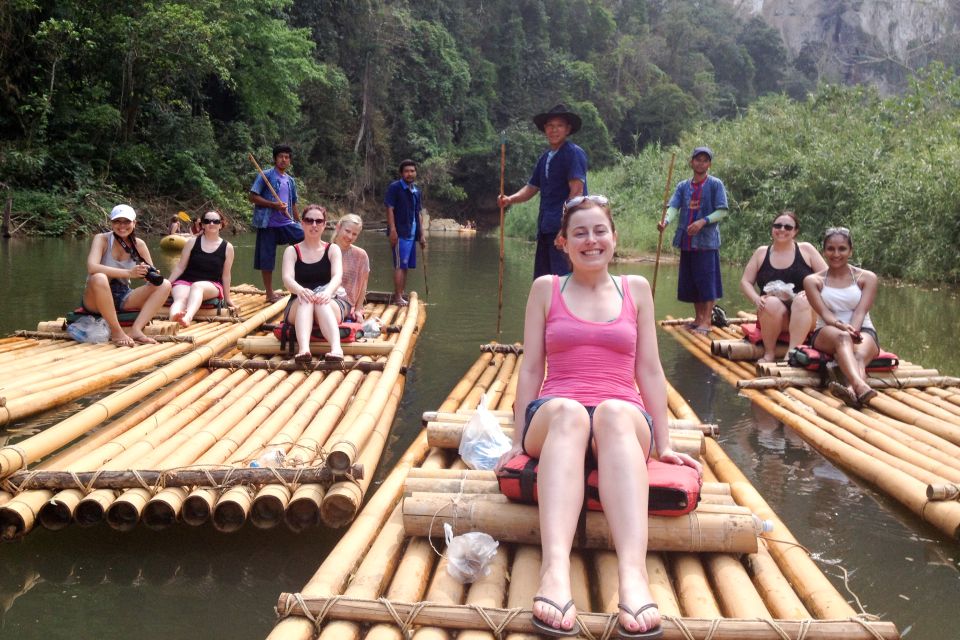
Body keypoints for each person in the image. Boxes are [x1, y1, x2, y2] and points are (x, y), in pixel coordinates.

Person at [496, 195, 701, 638]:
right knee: (572, 412)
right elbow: (531, 367)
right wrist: (517, 440)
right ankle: (554, 571)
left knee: (610, 412)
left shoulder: (637, 290)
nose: (591, 241)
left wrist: (664, 445)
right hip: (555, 414)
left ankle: (633, 577)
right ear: (563, 243)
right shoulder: (546, 288)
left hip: (621, 417)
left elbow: (649, 369)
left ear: (614, 238)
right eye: (580, 233)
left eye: (599, 231)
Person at [498, 104, 588, 278]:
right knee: (544, 279)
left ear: (568, 129)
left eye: (559, 126)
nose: (554, 130)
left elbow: (577, 192)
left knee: (564, 279)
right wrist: (510, 199)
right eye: (550, 126)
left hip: (565, 231)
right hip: (546, 227)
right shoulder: (544, 158)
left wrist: (564, 227)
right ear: (545, 129)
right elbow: (532, 187)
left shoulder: (573, 153)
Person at [804, 227, 880, 408]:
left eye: (842, 249)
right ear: (824, 251)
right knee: (842, 337)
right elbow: (824, 313)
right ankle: (860, 385)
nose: (836, 254)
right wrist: (843, 327)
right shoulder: (813, 280)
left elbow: (861, 311)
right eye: (831, 249)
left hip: (863, 329)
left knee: (859, 356)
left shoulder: (867, 278)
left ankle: (853, 392)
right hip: (828, 331)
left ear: (850, 251)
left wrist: (854, 330)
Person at [657, 146, 729, 334]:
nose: (701, 163)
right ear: (691, 162)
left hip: (706, 242)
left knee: (707, 281)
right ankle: (698, 319)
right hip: (687, 242)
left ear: (709, 164)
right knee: (692, 281)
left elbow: (722, 210)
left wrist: (703, 221)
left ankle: (707, 321)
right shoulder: (683, 186)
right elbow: (673, 207)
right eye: (698, 159)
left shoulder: (715, 184)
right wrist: (664, 222)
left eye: (705, 160)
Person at [739, 211, 827, 361]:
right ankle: (769, 353)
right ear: (772, 228)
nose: (782, 230)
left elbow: (827, 278)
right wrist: (755, 299)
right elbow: (745, 282)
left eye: (788, 227)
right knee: (770, 302)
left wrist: (812, 291)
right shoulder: (761, 253)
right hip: (773, 315)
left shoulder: (806, 250)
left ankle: (790, 355)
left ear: (795, 231)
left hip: (805, 314)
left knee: (802, 299)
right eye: (778, 225)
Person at [82, 204, 172, 347]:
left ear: (134, 223)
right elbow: (92, 267)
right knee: (99, 277)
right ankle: (117, 331)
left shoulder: (139, 245)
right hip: (96, 294)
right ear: (111, 223)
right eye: (117, 221)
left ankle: (136, 330)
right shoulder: (102, 239)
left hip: (122, 294)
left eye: (126, 222)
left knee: (165, 284)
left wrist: (148, 273)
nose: (122, 226)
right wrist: (129, 273)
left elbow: (152, 274)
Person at [280, 204, 345, 363]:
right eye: (309, 221)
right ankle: (304, 350)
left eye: (318, 221)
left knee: (321, 301)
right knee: (306, 300)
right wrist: (301, 290)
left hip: (329, 301)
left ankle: (336, 349)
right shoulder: (292, 251)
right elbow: (287, 279)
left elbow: (338, 276)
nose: (314, 225)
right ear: (302, 223)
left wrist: (327, 292)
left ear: (324, 224)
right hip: (300, 302)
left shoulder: (333, 249)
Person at [249, 144, 304, 302]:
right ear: (275, 159)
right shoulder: (266, 175)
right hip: (268, 224)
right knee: (267, 258)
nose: (283, 160)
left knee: (304, 241)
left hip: (287, 223)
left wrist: (298, 221)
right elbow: (252, 197)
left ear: (289, 161)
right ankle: (269, 294)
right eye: (280, 157)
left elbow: (293, 203)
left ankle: (299, 285)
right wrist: (273, 205)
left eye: (286, 157)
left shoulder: (290, 181)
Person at [167, 211, 236, 327]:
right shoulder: (192, 242)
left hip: (212, 285)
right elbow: (180, 267)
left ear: (221, 225)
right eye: (207, 221)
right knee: (181, 298)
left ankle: (187, 317)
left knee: (197, 286)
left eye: (216, 221)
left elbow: (226, 275)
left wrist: (227, 298)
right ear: (202, 225)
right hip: (186, 281)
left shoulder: (227, 247)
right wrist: (168, 283)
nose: (212, 223)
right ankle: (174, 316)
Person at [384, 159, 426, 306]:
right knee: (399, 265)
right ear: (402, 173)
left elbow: (418, 213)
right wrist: (393, 230)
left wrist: (421, 234)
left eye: (412, 171)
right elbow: (390, 208)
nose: (410, 174)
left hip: (412, 233)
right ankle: (397, 297)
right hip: (400, 233)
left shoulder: (416, 191)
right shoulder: (395, 188)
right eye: (407, 171)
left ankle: (401, 294)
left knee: (405, 265)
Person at [331, 213, 370, 322]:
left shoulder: (361, 255)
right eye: (347, 231)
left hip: (347, 305)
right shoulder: (325, 251)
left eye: (354, 234)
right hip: (325, 299)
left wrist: (358, 310)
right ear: (338, 227)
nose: (350, 237)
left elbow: (363, 285)